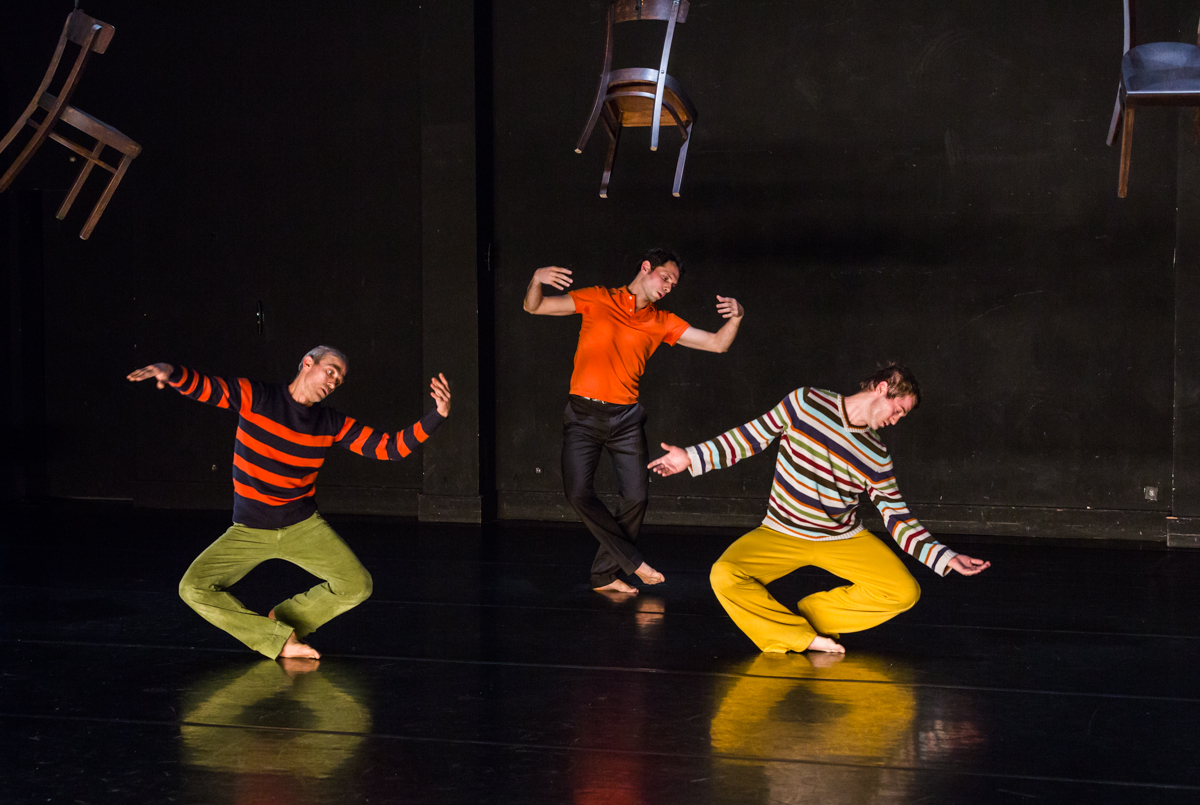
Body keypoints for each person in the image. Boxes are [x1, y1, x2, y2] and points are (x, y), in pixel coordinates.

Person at [127, 346, 451, 660]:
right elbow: (212, 389)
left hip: (302, 527)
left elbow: (389, 448)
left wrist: (437, 415)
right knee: (193, 587)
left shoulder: (329, 423)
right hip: (250, 530)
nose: (333, 382)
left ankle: (283, 620)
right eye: (330, 371)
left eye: (338, 381)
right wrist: (172, 374)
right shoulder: (258, 398)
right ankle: (277, 639)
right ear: (307, 363)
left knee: (357, 585)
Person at [647, 364, 989, 653]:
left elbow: (897, 517)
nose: (896, 421)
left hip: (842, 538)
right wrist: (690, 457)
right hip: (780, 532)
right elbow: (750, 437)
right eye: (898, 410)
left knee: (904, 591)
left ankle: (814, 614)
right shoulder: (806, 403)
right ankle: (802, 636)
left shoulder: (876, 455)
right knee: (724, 574)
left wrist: (944, 557)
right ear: (883, 388)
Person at [524, 248, 744, 595]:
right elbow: (534, 306)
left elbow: (717, 344)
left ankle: (604, 575)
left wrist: (736, 318)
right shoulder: (597, 299)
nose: (669, 286)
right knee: (578, 492)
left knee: (637, 498)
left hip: (626, 419)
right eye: (665, 277)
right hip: (583, 415)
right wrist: (537, 278)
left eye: (674, 283)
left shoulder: (663, 321)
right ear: (646, 268)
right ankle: (632, 562)